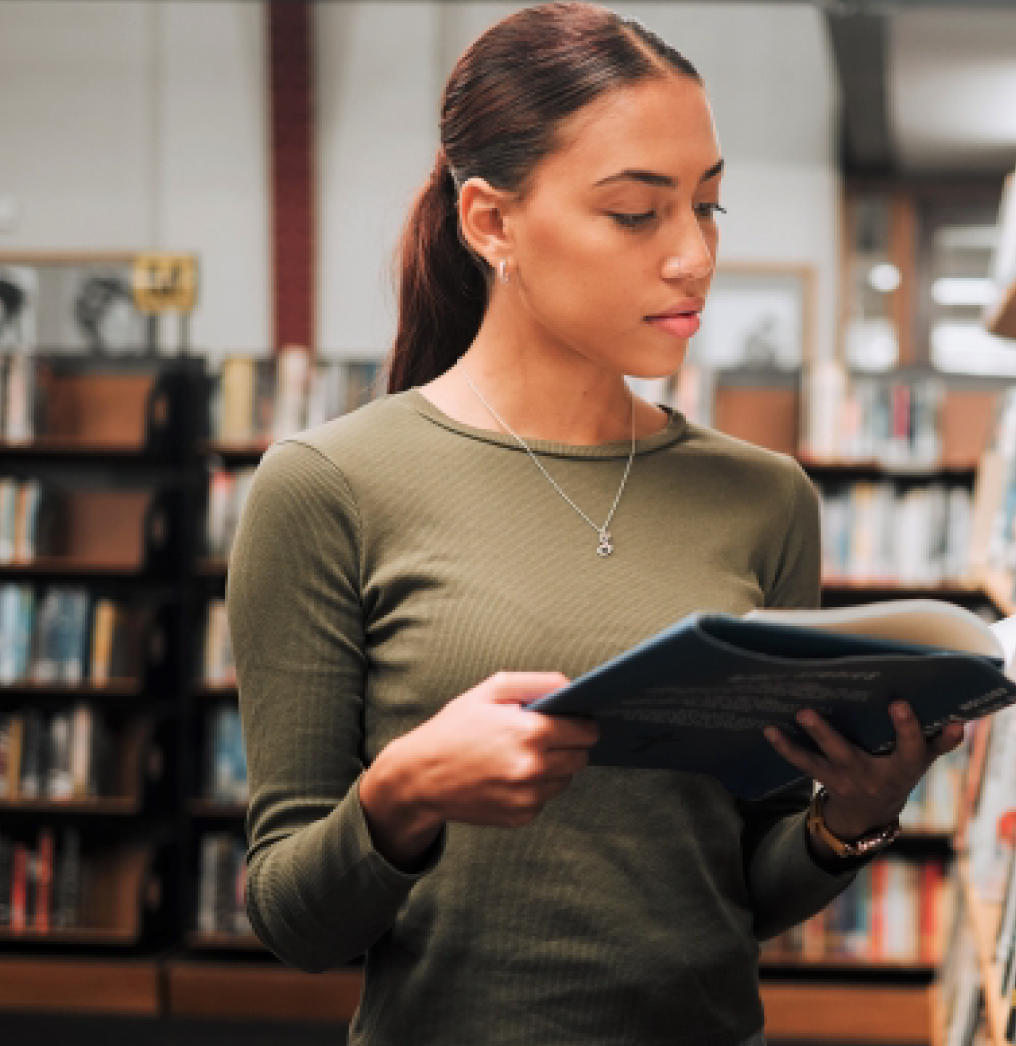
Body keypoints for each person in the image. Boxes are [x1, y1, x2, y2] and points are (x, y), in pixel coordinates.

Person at [226, 6, 963, 1045]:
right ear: (491, 223)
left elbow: (742, 892)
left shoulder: (767, 498)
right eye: (635, 214)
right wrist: (401, 793)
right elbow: (294, 918)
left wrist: (852, 819)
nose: (693, 257)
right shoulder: (327, 486)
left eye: (709, 207)